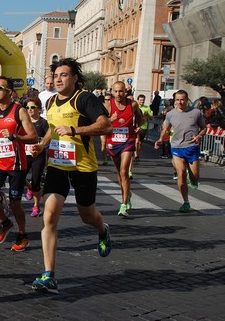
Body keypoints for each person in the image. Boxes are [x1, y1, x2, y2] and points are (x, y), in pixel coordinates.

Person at [30, 58, 112, 294]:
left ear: (74, 78)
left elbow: (106, 126)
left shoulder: (85, 99)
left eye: (64, 75)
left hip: (83, 167)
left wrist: (76, 130)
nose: (58, 79)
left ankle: (102, 229)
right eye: (56, 75)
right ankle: (49, 275)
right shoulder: (52, 101)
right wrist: (42, 145)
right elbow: (54, 129)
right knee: (49, 217)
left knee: (87, 216)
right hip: (57, 166)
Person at [0, 77, 38, 251]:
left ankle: (22, 234)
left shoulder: (19, 111)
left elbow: (33, 136)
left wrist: (15, 136)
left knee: (15, 204)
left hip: (16, 164)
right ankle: (5, 223)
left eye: (0, 88)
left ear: (10, 92)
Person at [154, 90, 207, 212]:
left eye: (182, 99)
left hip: (192, 147)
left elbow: (204, 128)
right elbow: (166, 129)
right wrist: (160, 140)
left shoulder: (196, 113)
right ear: (175, 101)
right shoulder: (170, 114)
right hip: (177, 147)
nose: (180, 102)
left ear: (187, 100)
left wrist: (199, 136)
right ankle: (185, 201)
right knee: (181, 173)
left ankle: (192, 178)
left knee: (195, 178)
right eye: (177, 100)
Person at [104, 81, 143, 217]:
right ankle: (127, 193)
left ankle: (124, 204)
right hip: (113, 141)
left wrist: (140, 126)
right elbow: (100, 124)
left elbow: (140, 119)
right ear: (112, 92)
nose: (118, 94)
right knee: (119, 172)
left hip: (128, 140)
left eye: (121, 91)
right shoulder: (108, 105)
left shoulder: (132, 105)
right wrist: (110, 119)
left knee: (124, 170)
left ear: (125, 92)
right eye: (115, 91)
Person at [23, 97, 49, 217]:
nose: (30, 110)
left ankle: (36, 206)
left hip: (38, 155)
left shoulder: (43, 123)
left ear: (38, 108)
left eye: (33, 107)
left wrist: (41, 144)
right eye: (27, 107)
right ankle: (29, 188)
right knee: (18, 177)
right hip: (25, 154)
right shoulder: (23, 122)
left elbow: (48, 138)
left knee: (36, 182)